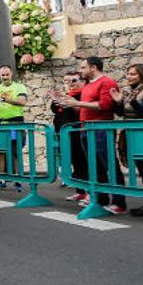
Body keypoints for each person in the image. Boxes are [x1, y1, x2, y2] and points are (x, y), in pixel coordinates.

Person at [56, 56, 126, 214]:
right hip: (86, 129)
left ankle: (119, 203)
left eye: (83, 67)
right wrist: (68, 102)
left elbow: (104, 105)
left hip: (102, 129)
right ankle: (100, 200)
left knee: (109, 165)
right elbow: (84, 109)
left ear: (93, 67)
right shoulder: (88, 85)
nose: (81, 71)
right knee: (95, 167)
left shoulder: (106, 82)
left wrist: (76, 103)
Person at [111, 64, 143, 216]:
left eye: (133, 74)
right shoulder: (129, 92)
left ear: (142, 75)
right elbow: (121, 113)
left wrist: (133, 102)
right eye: (128, 74)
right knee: (142, 169)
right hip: (130, 133)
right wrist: (118, 102)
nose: (129, 77)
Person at [0, 65, 29, 192]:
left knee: (16, 152)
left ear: (11, 74)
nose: (5, 77)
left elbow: (22, 102)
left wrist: (7, 99)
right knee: (0, 152)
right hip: (0, 124)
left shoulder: (19, 87)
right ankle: (1, 180)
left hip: (16, 124)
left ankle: (18, 180)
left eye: (7, 74)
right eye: (2, 75)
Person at [50, 72, 88, 201]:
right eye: (66, 81)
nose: (70, 84)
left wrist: (69, 101)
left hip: (79, 133)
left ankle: (89, 192)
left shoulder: (83, 95)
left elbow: (79, 112)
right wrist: (57, 100)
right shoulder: (67, 96)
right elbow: (56, 110)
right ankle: (80, 191)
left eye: (73, 80)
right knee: (76, 163)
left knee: (84, 163)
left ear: (82, 82)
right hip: (66, 135)